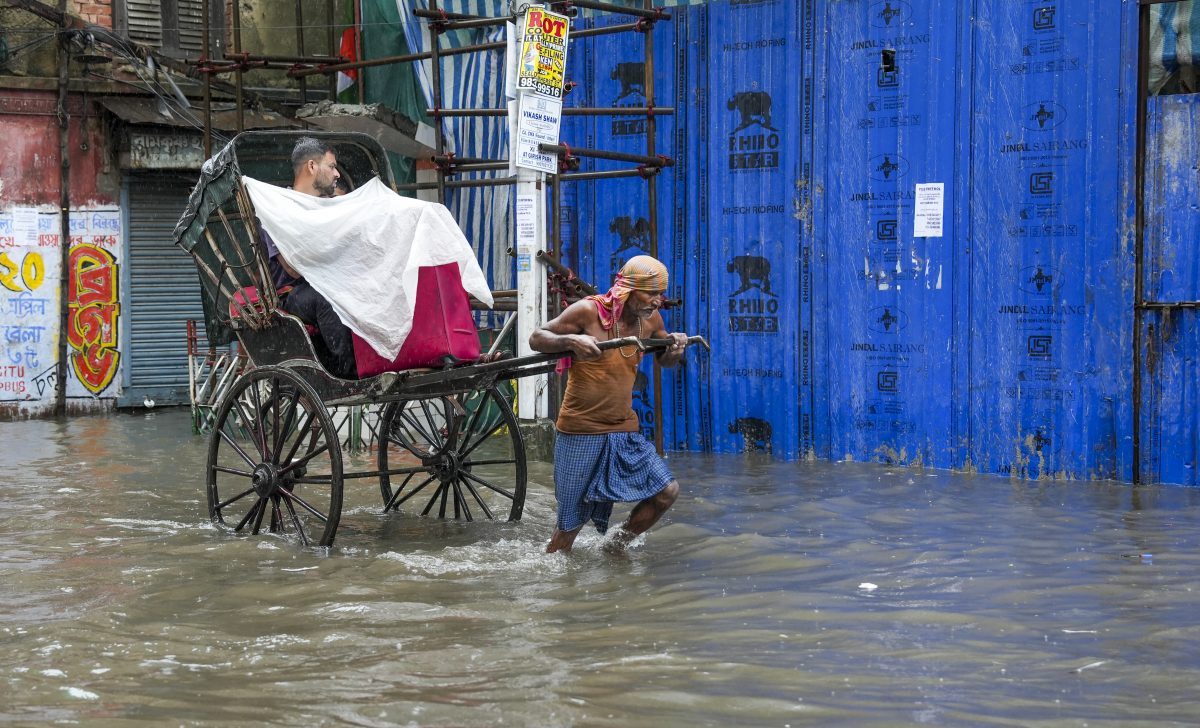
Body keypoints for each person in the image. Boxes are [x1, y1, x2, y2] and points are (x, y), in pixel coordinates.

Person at [529, 255, 690, 553]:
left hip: (622, 428)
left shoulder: (651, 319)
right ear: (627, 290)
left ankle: (614, 546)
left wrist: (675, 348)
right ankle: (555, 572)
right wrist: (572, 341)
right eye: (651, 293)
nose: (658, 301)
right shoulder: (588, 311)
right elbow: (537, 337)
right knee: (569, 526)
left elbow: (665, 361)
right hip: (581, 430)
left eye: (660, 294)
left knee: (667, 492)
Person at [268, 137, 357, 379]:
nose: (337, 174)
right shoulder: (277, 209)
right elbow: (292, 267)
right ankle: (347, 375)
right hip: (293, 294)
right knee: (325, 297)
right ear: (312, 166)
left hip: (330, 281)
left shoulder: (328, 208)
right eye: (331, 166)